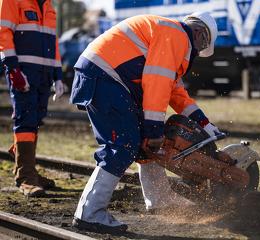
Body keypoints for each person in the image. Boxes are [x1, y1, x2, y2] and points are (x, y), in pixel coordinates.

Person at [70, 12, 223, 233]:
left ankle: (160, 198)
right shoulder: (176, 36)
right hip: (104, 76)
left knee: (143, 142)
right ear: (199, 33)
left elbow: (176, 93)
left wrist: (206, 125)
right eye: (201, 47)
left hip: (105, 75)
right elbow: (157, 83)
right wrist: (154, 129)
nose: (198, 53)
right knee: (123, 145)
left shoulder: (170, 35)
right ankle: (90, 213)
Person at [0, 0, 64, 197]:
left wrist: (57, 74)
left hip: (44, 74)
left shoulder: (49, 6)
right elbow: (3, 33)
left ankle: (26, 167)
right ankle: (26, 177)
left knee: (36, 120)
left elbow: (53, 40)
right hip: (23, 70)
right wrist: (13, 69)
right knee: (26, 120)